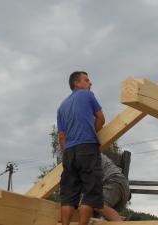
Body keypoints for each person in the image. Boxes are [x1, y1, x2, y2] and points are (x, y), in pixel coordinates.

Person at [57, 71, 106, 225]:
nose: (90, 83)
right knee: (90, 192)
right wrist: (91, 133)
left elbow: (61, 137)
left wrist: (67, 154)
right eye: (87, 80)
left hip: (69, 152)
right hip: (87, 147)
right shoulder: (87, 95)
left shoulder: (61, 107)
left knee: (68, 195)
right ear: (77, 83)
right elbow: (101, 119)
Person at [94, 153, 131, 221]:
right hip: (120, 184)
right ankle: (123, 220)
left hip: (113, 181)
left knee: (96, 204)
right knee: (105, 218)